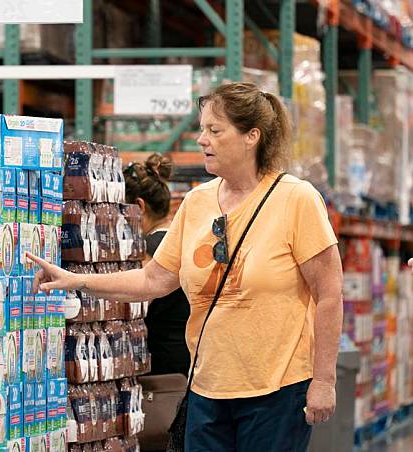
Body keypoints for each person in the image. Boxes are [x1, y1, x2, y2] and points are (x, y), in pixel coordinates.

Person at [28, 82, 343, 451]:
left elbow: (329, 293)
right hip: (207, 389)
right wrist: (76, 280)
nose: (201, 140)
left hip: (276, 391)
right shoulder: (196, 203)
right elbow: (153, 279)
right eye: (202, 129)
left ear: (251, 137)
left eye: (214, 130)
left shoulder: (296, 199)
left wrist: (324, 380)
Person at [123, 154, 190, 376]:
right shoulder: (183, 239)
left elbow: (133, 303)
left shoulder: (151, 250)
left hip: (162, 369)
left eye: (122, 211)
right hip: (186, 358)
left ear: (139, 207)